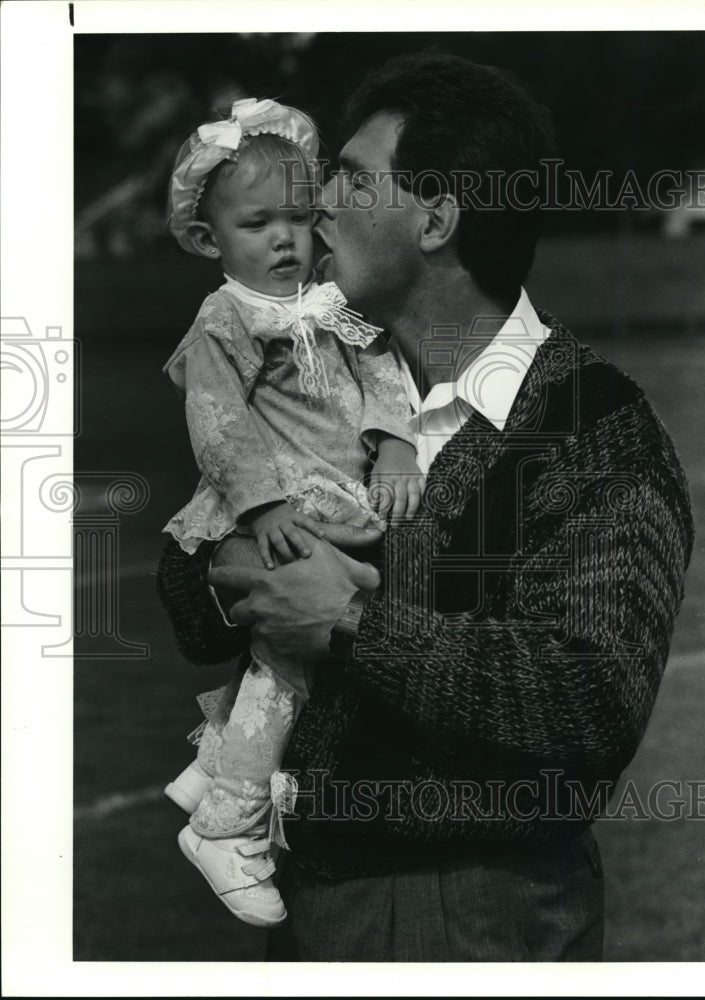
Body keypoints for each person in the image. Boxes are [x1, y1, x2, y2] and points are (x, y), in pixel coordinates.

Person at [158, 52, 695, 961]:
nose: (318, 204)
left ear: (437, 219)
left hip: (476, 915)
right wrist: (226, 571)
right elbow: (196, 607)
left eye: (354, 180)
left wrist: (350, 622)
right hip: (311, 902)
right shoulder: (320, 378)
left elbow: (588, 703)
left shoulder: (593, 430)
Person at [160, 97, 421, 928]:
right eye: (257, 223)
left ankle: (214, 765)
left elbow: (381, 371)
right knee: (298, 651)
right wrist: (262, 502)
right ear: (209, 241)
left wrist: (396, 445)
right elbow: (217, 420)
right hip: (277, 504)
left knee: (307, 649)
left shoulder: (323, 302)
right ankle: (228, 822)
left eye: (300, 219)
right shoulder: (224, 320)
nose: (284, 239)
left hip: (335, 494)